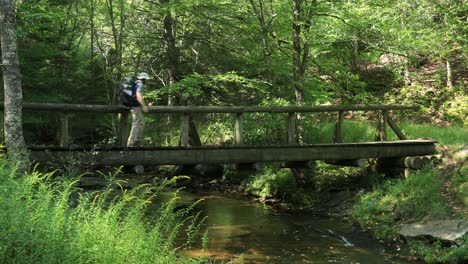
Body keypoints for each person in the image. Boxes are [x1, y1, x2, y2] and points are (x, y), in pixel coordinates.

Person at [127, 72, 151, 147]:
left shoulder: (135, 83)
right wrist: (144, 106)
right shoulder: (140, 84)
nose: (146, 81)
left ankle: (137, 141)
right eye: (146, 79)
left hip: (134, 106)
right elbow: (138, 95)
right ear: (143, 79)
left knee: (141, 123)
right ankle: (130, 144)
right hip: (135, 107)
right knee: (136, 124)